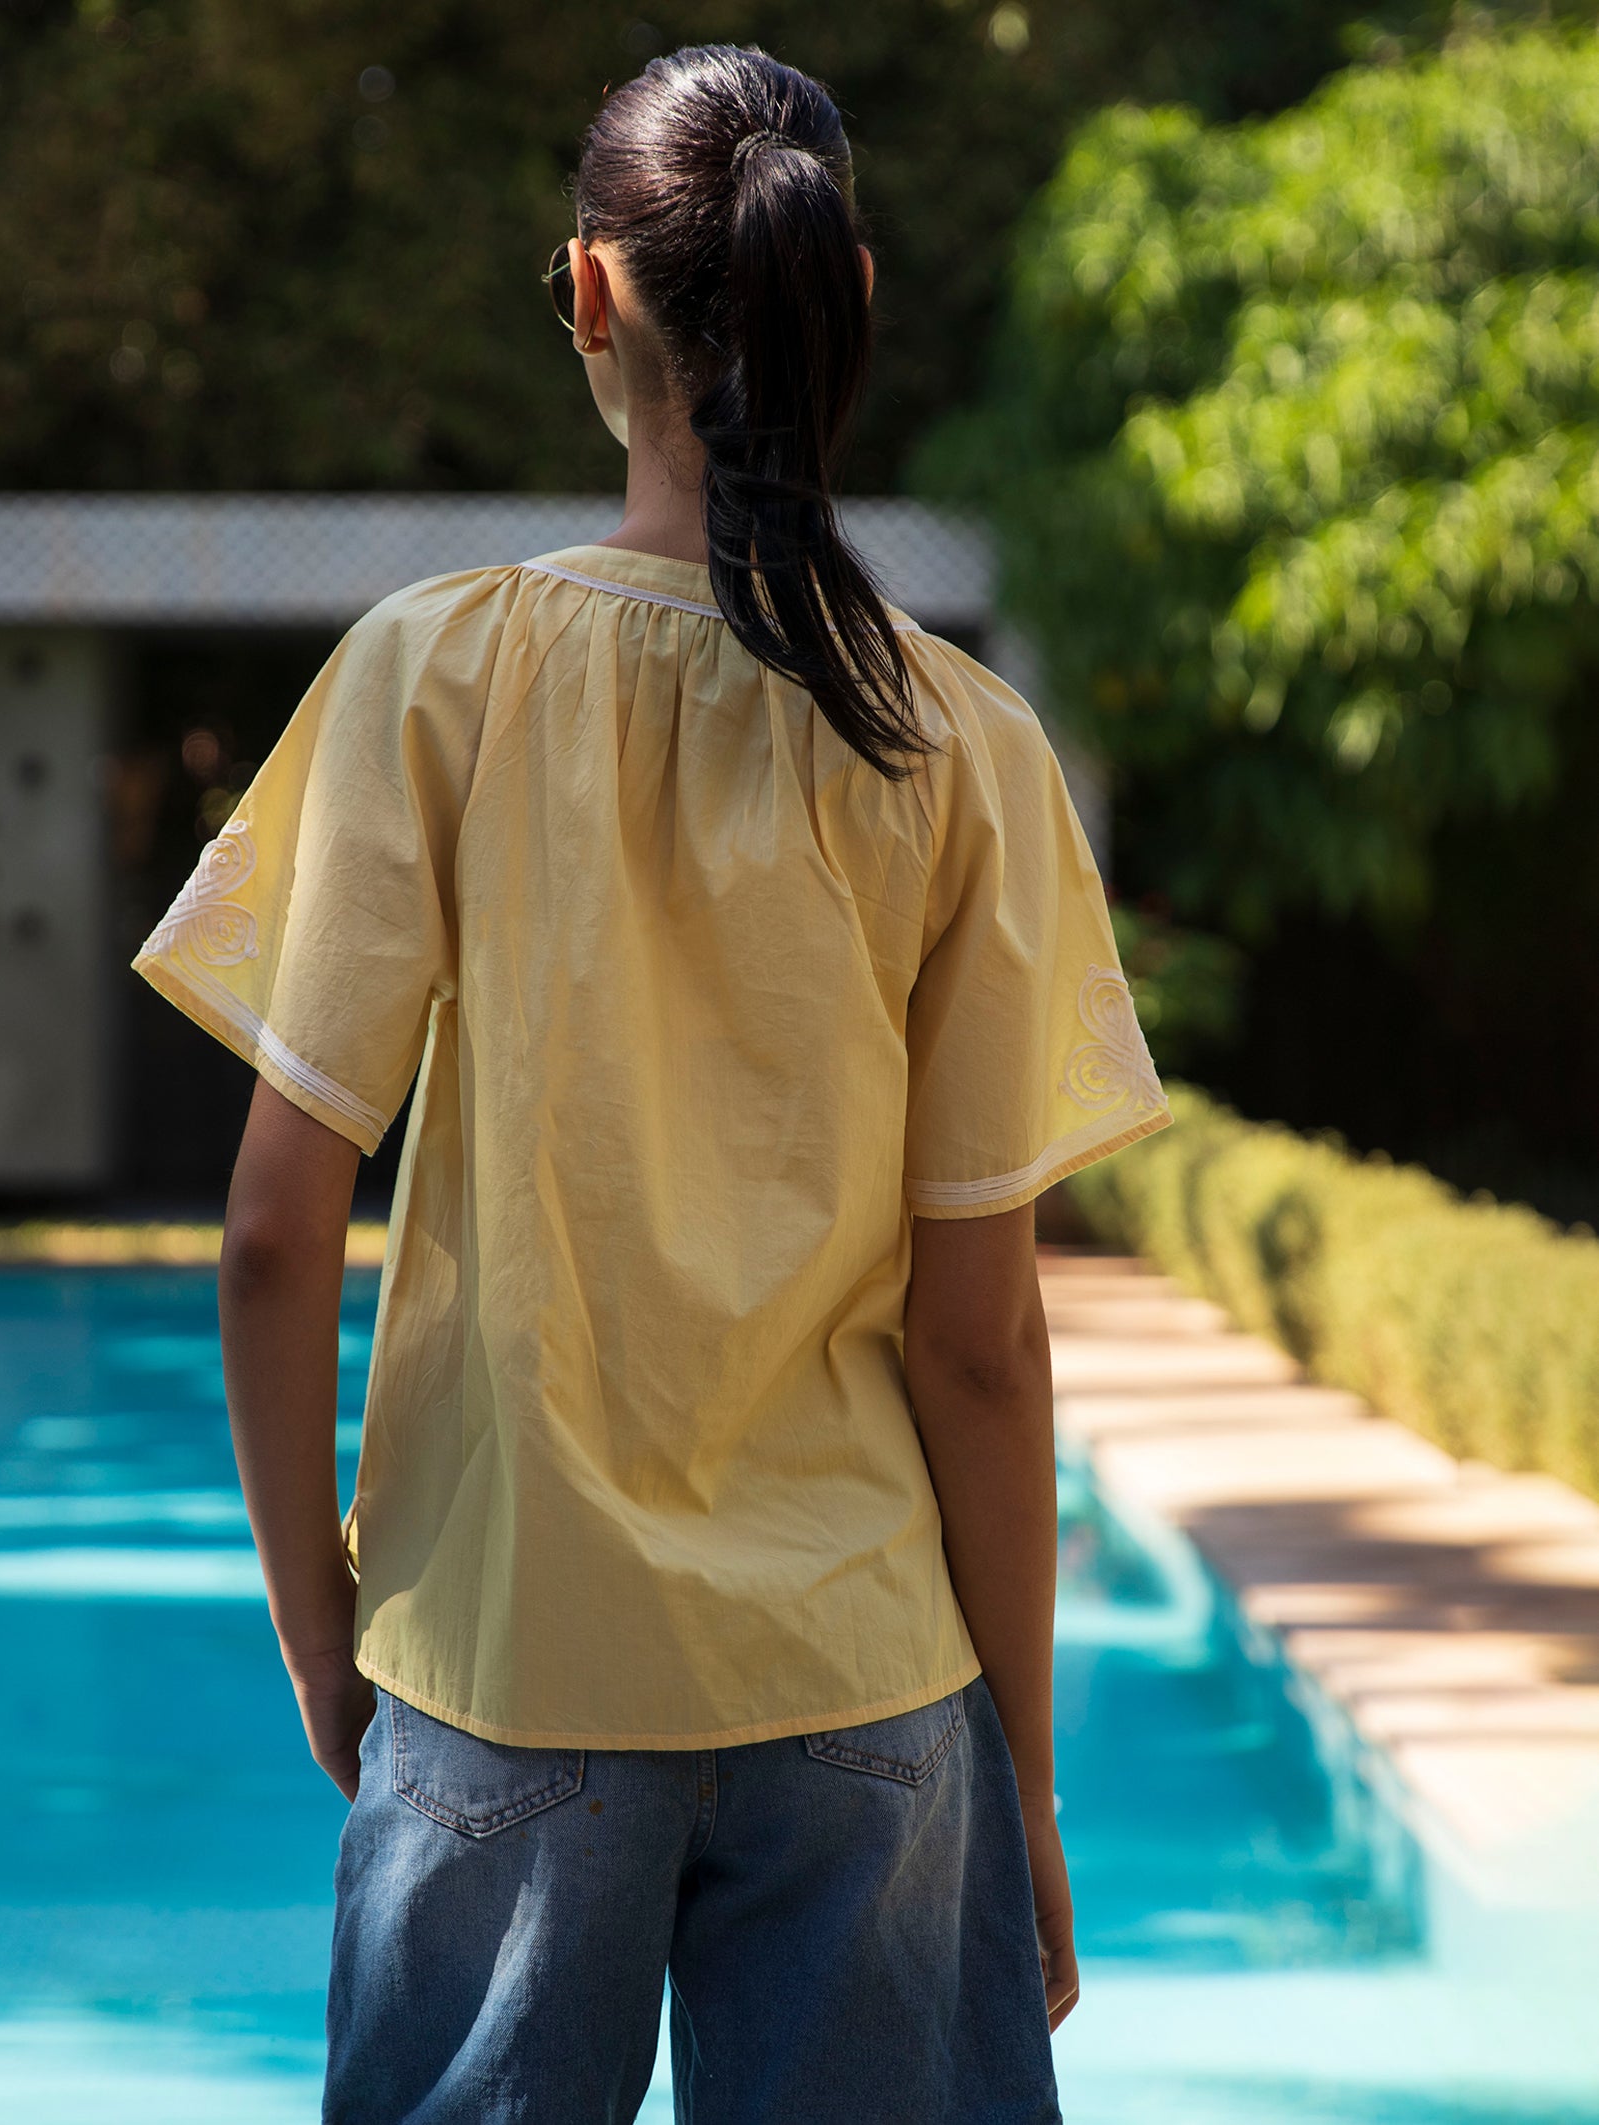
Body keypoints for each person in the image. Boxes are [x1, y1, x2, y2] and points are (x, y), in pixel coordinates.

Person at [134, 41, 1169, 2125]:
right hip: (867, 1677)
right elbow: (978, 1342)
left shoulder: (432, 673)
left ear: (590, 297)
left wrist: (325, 1630)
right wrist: (1027, 1782)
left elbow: (268, 1234)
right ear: (846, 294)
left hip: (502, 1659)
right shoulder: (961, 749)